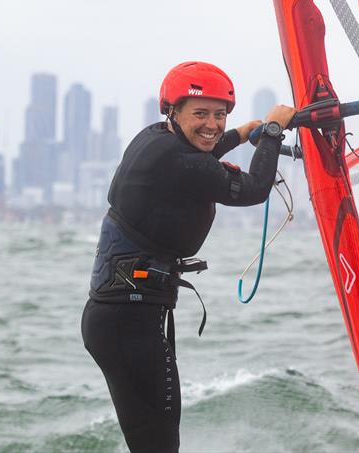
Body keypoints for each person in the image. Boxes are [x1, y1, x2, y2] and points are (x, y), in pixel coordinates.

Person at [81, 61, 296, 453]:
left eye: (220, 114)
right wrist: (274, 132)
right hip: (128, 323)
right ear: (173, 112)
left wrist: (238, 134)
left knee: (155, 442)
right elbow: (253, 189)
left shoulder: (155, 138)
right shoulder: (180, 161)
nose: (212, 124)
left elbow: (198, 153)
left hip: (121, 318)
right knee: (159, 444)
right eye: (200, 113)